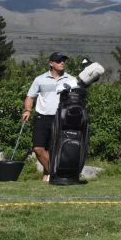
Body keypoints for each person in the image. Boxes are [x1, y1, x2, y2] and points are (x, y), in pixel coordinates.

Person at [22, 53, 79, 183]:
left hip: (61, 119)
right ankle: (55, 174)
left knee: (55, 149)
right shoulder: (40, 79)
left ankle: (47, 176)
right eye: (58, 61)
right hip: (42, 118)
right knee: (38, 148)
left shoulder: (71, 80)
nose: (62, 63)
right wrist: (27, 110)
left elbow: (77, 99)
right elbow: (30, 96)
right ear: (51, 63)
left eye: (63, 61)